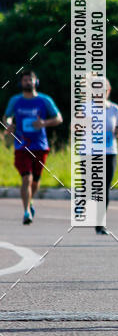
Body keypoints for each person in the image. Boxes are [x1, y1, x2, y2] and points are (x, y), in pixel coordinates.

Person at [2, 69, 63, 224]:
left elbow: (58, 118)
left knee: (35, 181)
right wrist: (9, 124)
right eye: (25, 80)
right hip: (22, 146)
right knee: (26, 178)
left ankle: (30, 201)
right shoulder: (15, 100)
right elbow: (7, 116)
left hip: (40, 145)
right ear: (20, 83)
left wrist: (44, 123)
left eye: (30, 80)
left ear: (36, 82)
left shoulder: (44, 100)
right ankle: (26, 212)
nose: (28, 82)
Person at [95, 78, 118, 236]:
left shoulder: (114, 109)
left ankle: (100, 223)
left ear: (108, 91)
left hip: (110, 151)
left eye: (103, 90)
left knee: (104, 188)